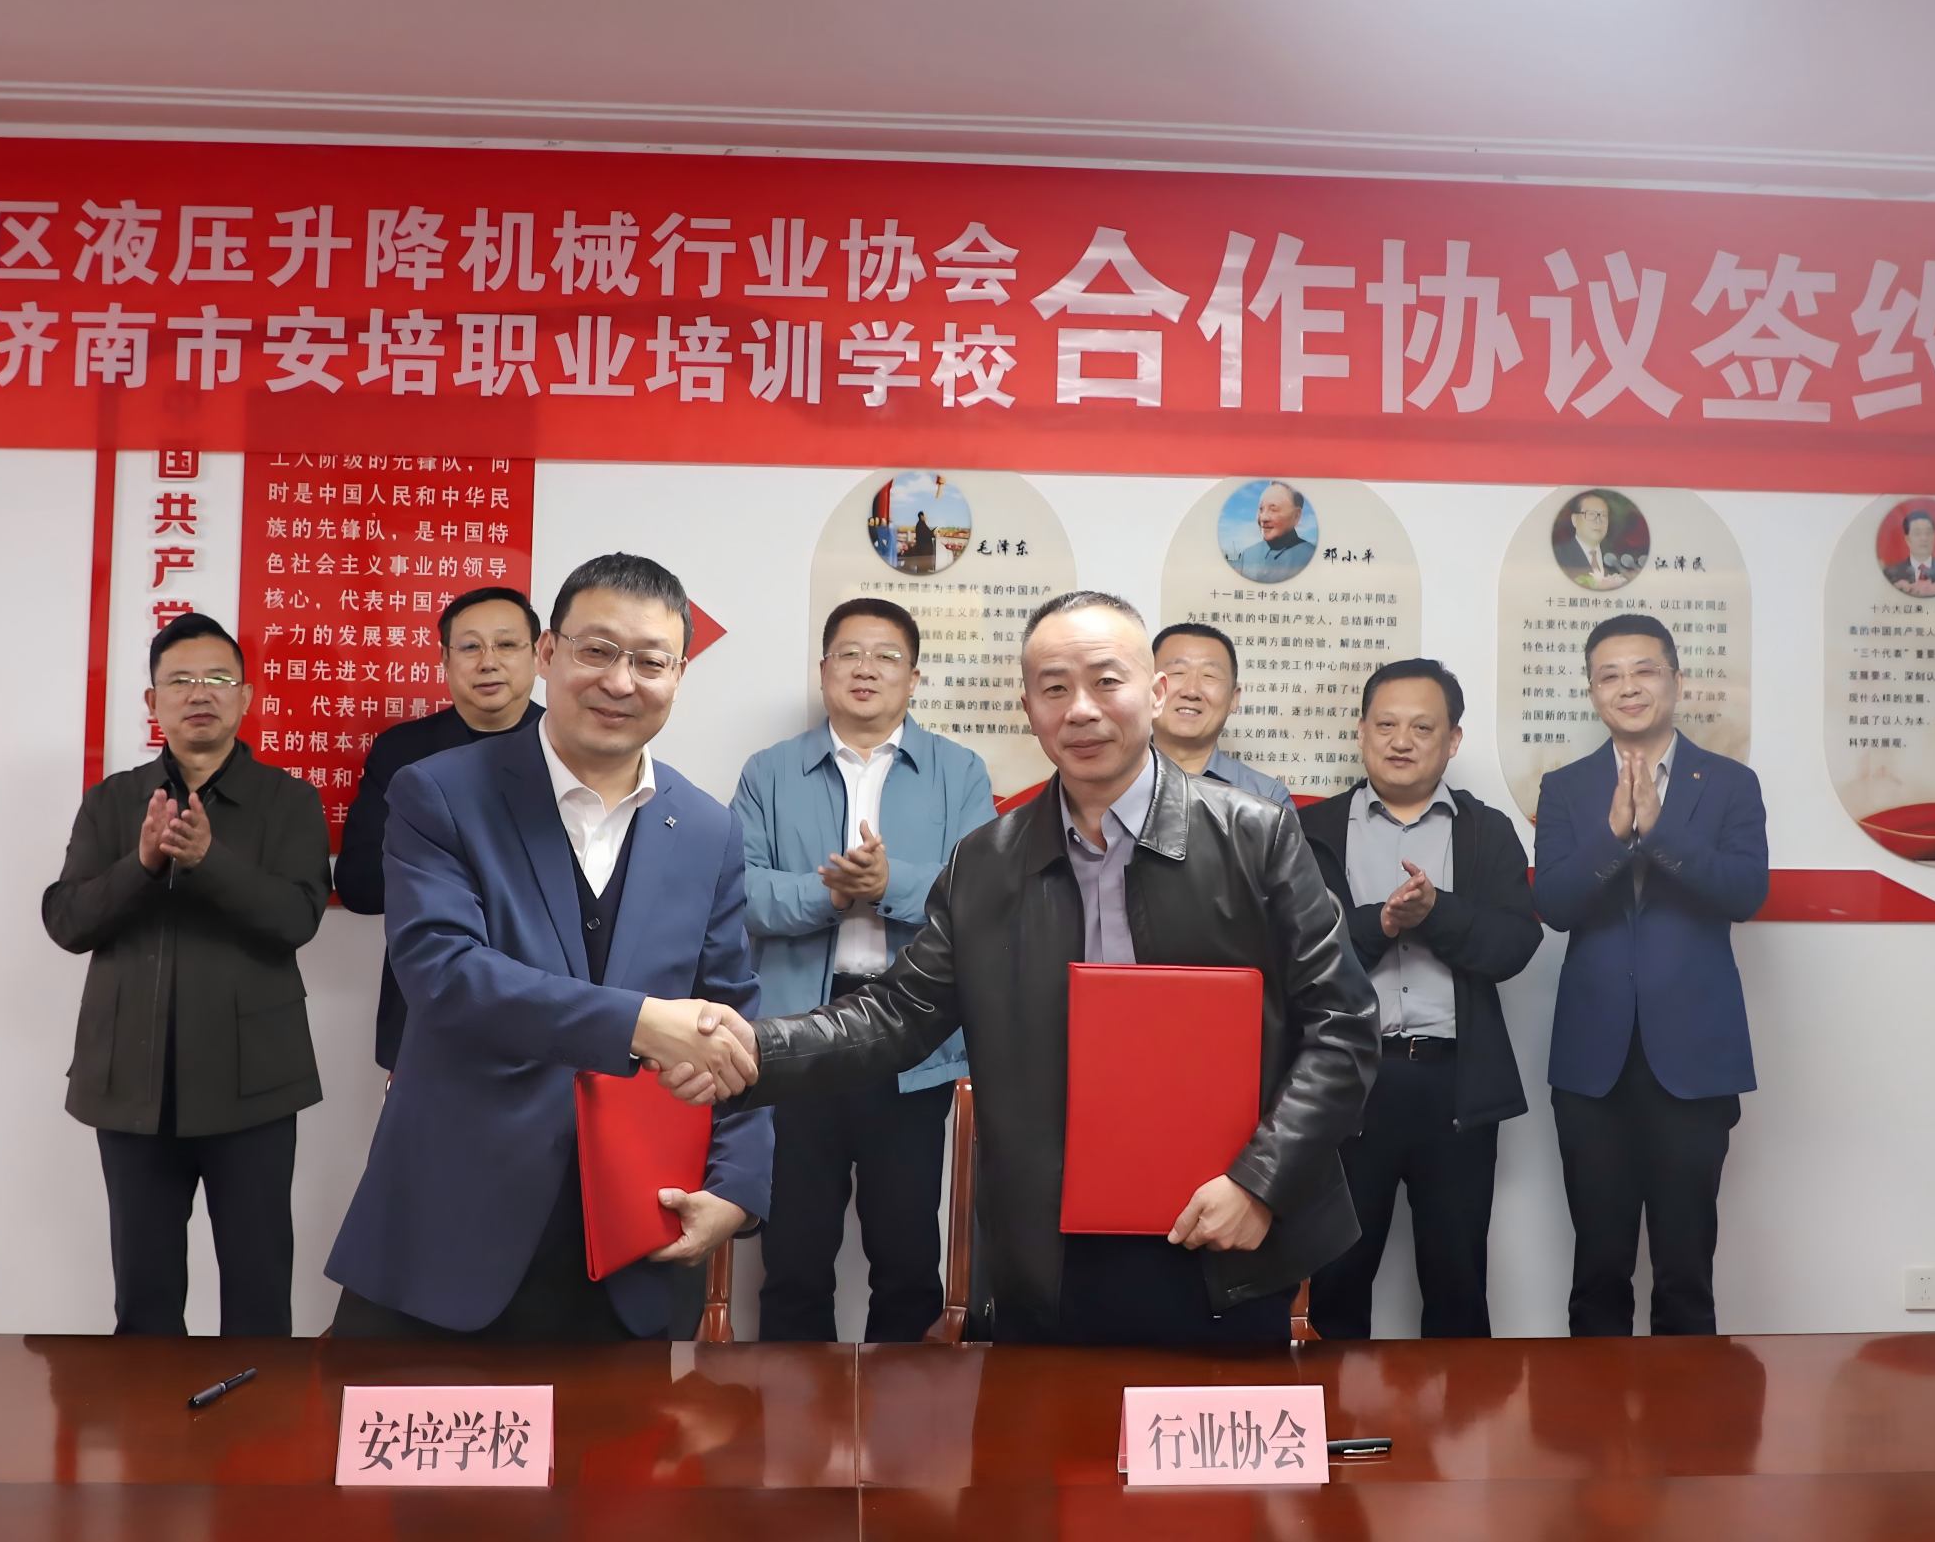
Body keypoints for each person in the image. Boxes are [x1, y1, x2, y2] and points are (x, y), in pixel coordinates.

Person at [685, 590, 1376, 1347]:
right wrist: (748, 1049)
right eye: (1054, 688)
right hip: (1047, 1257)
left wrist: (1261, 1182)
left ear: (1154, 691)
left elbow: (1343, 1026)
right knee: (1040, 1425)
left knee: (1205, 1428)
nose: (1080, 710)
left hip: (1225, 1235)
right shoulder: (986, 863)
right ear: (1028, 708)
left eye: (1105, 681)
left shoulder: (1256, 837)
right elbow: (897, 1016)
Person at [323, 554, 771, 1340]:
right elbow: (445, 975)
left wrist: (738, 1184)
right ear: (549, 652)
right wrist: (640, 1023)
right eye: (597, 650)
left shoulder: (707, 827)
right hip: (452, 1229)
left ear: (678, 675)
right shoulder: (440, 792)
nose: (620, 681)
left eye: (650, 661)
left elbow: (732, 1015)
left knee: (622, 1427)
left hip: (634, 1238)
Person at [43, 612, 328, 1337]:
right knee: (144, 1298)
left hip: (253, 1084)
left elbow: (297, 917)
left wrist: (209, 861)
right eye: (180, 680)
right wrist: (142, 865)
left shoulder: (289, 801)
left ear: (246, 696)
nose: (200, 693)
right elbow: (67, 921)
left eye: (218, 678)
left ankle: (257, 1416)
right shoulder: (112, 801)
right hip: (131, 1085)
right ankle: (151, 1419)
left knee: (258, 1293)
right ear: (153, 701)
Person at [731, 597, 995, 1342]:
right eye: (849, 653)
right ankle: (792, 1410)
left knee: (906, 1252)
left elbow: (981, 894)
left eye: (886, 656)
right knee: (794, 1250)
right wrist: (831, 895)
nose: (865, 669)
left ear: (914, 677)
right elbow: (739, 892)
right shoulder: (769, 772)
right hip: (795, 1034)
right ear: (823, 671)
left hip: (910, 1032)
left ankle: (903, 1413)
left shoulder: (958, 771)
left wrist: (890, 884)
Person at [1533, 613, 1766, 1337]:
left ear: (1675, 680)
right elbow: (1554, 905)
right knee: (1597, 1271)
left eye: (1644, 670)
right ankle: (1591, 1412)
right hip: (1592, 1063)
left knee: (1685, 1271)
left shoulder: (1729, 783)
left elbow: (1745, 893)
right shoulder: (1566, 787)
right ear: (1592, 691)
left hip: (1694, 1060)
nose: (1628, 687)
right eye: (1609, 675)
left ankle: (1689, 1413)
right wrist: (1613, 835)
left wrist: (1660, 830)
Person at [1302, 658, 1539, 1340]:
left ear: (1453, 740)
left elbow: (1513, 945)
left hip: (1454, 1085)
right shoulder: (1311, 830)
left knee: (1458, 1283)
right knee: (1336, 1282)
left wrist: (1436, 911)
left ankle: (1462, 1415)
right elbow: (1295, 958)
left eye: (1422, 727)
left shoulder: (1486, 831)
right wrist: (1381, 923)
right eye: (1386, 725)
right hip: (1345, 1083)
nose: (1401, 741)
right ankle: (1335, 1410)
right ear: (1361, 731)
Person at [334, 586, 544, 1072]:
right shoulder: (403, 752)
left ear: (539, 655)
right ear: (445, 660)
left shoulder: (573, 753)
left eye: (506, 644)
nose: (488, 662)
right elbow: (359, 885)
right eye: (470, 647)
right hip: (425, 1007)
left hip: (545, 1007)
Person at [1150, 622, 1291, 805]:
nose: (1191, 691)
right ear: (1147, 687)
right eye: (1177, 672)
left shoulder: (1267, 798)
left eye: (1209, 675)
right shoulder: (1114, 780)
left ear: (1234, 698)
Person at [1229, 482, 1316, 583]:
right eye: (1261, 509)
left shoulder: (1312, 557)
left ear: (1296, 516)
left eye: (1273, 509)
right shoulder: (1248, 555)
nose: (1263, 518)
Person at [1553, 492, 1631, 590]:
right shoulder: (1557, 556)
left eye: (1603, 515)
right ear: (1575, 520)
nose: (1598, 520)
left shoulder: (1617, 560)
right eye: (1591, 514)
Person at [1883, 509, 1935, 597]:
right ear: (1907, 539)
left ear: (1934, 537)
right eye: (1917, 533)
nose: (1924, 538)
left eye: (1928, 533)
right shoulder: (1892, 574)